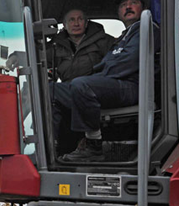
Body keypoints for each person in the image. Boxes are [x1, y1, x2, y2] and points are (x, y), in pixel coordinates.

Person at [60, 0, 161, 162]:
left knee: (82, 84)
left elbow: (129, 61)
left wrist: (102, 73)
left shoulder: (147, 28)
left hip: (132, 86)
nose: (128, 7)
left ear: (144, 8)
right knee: (51, 91)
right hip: (115, 84)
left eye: (133, 3)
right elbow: (110, 62)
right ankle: (58, 147)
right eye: (123, 5)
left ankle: (93, 146)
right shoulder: (122, 37)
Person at [6, 9, 115, 154]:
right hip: (71, 92)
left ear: (86, 22)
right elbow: (38, 56)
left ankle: (91, 141)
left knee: (53, 90)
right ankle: (50, 146)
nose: (76, 23)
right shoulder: (58, 45)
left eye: (80, 19)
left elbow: (118, 58)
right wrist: (16, 57)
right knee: (48, 93)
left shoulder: (103, 41)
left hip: (96, 90)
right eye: (71, 20)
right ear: (64, 24)